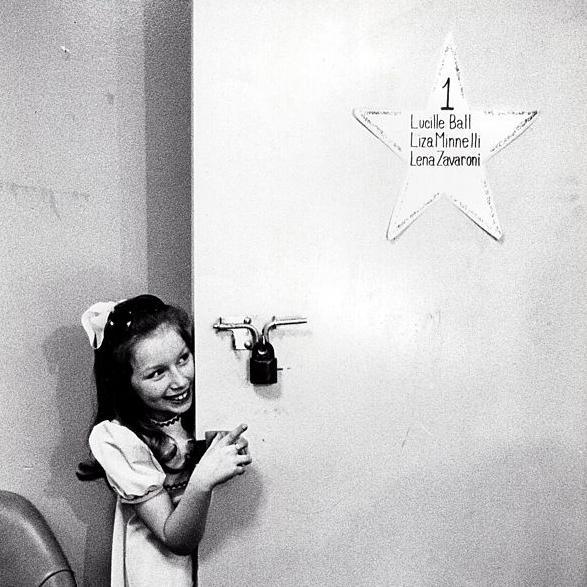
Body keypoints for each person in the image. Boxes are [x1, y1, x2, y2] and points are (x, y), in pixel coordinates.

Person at [77, 294, 252, 586]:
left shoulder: (204, 409)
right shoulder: (119, 440)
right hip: (162, 573)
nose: (180, 381)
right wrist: (202, 480)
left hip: (217, 559)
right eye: (157, 373)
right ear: (125, 383)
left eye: (183, 359)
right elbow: (175, 538)